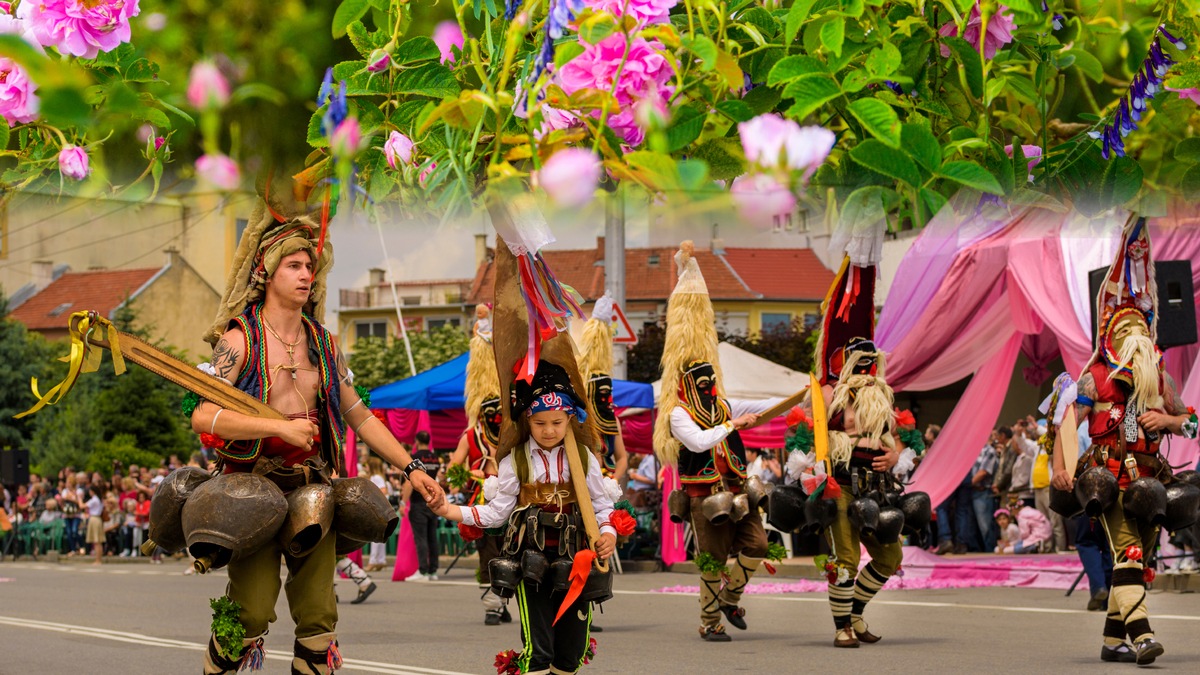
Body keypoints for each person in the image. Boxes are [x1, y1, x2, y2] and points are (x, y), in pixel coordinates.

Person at [188, 196, 444, 674]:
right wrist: (277, 426)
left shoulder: (324, 342)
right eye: (294, 265)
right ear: (266, 273)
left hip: (313, 490)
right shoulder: (239, 338)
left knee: (319, 618)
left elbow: (360, 416)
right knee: (251, 612)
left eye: (310, 266)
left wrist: (411, 467)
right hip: (250, 491)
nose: (306, 274)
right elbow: (203, 416)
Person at [1051, 221, 1193, 665]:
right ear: (1109, 336)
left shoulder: (1162, 380)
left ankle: (1113, 639)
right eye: (1123, 327)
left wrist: (1167, 419)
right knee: (1128, 551)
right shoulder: (1093, 377)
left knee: (1140, 559)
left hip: (1151, 480)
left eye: (1138, 326)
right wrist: (1062, 464)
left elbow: (1191, 425)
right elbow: (1065, 420)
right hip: (1107, 478)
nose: (1132, 334)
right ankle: (1142, 636)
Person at [431, 361, 617, 675]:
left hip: (576, 560)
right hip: (531, 560)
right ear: (528, 419)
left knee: (572, 651)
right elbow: (497, 512)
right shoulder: (515, 458)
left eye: (557, 422)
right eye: (540, 422)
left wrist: (608, 531)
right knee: (539, 650)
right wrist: (450, 510)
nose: (549, 430)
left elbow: (601, 506)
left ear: (570, 418)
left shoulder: (584, 457)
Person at [788, 227, 925, 649]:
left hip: (878, 489)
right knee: (845, 560)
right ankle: (841, 627)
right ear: (847, 363)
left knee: (889, 557)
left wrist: (894, 454)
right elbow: (802, 438)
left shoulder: (885, 398)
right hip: (842, 486)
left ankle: (857, 615)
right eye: (860, 363)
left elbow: (904, 439)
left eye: (872, 363)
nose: (867, 370)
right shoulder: (829, 394)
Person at [653, 242, 785, 643]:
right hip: (704, 496)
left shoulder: (724, 404)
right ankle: (709, 622)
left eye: (713, 382)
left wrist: (798, 399)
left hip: (738, 491)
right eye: (703, 383)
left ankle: (730, 597)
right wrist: (734, 424)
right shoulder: (677, 414)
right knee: (711, 560)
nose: (711, 389)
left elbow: (763, 405)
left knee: (759, 545)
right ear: (689, 384)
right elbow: (695, 444)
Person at [447, 331, 510, 624]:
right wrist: (469, 475)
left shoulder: (512, 437)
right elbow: (452, 472)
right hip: (482, 503)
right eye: (491, 414)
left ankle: (503, 600)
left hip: (512, 501)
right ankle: (492, 606)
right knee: (488, 553)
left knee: (511, 550)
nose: (496, 418)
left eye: (500, 413)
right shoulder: (470, 436)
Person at [578, 292, 630, 484]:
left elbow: (622, 458)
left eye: (608, 394)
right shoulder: (577, 420)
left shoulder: (612, 420)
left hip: (606, 486)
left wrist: (613, 480)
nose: (607, 399)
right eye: (601, 394)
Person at [404, 431, 441, 582]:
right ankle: (433, 571)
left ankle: (423, 571)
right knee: (432, 537)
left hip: (419, 502)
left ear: (417, 441)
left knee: (421, 538)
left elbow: (410, 482)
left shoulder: (414, 458)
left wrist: (403, 502)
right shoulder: (435, 458)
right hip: (433, 500)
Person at [365, 457, 391, 572]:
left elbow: (383, 490)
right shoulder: (381, 477)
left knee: (374, 535)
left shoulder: (375, 477)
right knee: (381, 535)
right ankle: (381, 560)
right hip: (381, 508)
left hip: (377, 508)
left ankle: (373, 561)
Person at [84, 486, 104, 565]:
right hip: (97, 519)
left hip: (94, 519)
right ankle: (98, 559)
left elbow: (83, 506)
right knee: (97, 541)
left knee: (97, 541)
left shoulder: (94, 499)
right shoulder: (99, 499)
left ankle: (98, 560)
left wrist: (78, 498)